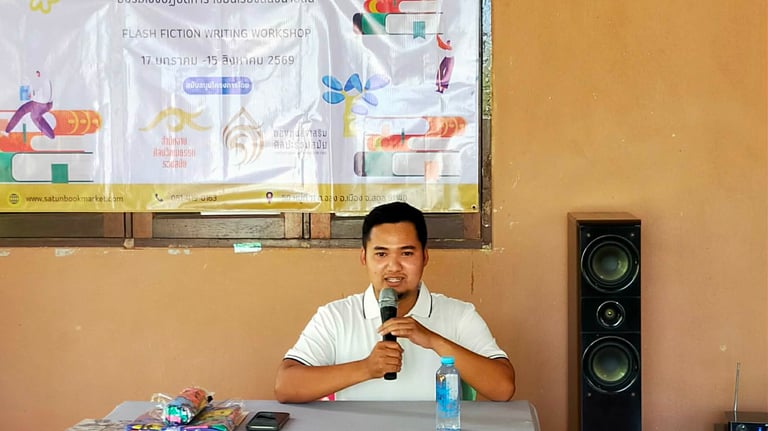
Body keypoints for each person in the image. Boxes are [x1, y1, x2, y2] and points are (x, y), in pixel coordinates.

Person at [274, 201, 515, 403]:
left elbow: (503, 388)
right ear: (364, 257)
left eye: (406, 253)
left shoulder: (459, 315)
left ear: (425, 257)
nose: (393, 266)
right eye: (381, 254)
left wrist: (433, 340)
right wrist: (366, 368)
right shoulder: (336, 316)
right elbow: (285, 386)